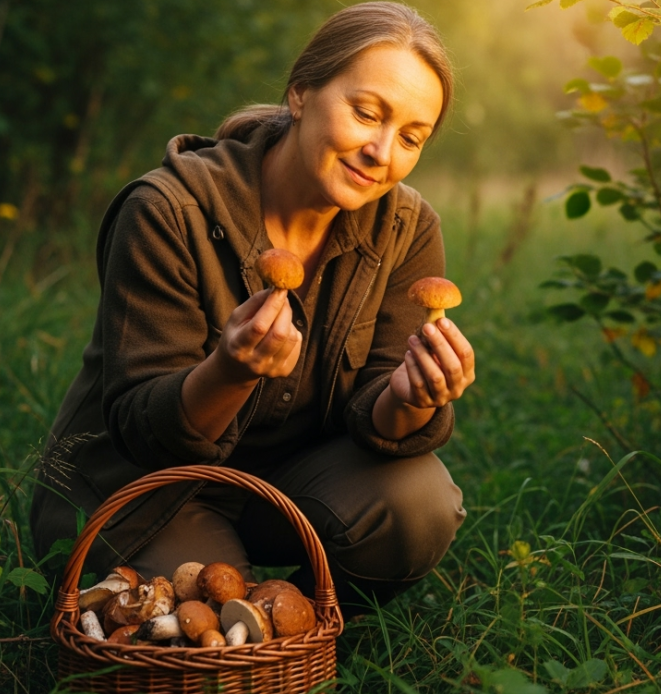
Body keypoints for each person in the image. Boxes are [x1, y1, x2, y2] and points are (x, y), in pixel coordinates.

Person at [30, 1, 473, 614]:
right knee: (197, 606)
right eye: (366, 113)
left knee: (418, 507)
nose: (381, 151)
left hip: (286, 488)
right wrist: (230, 370)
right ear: (300, 93)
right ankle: (247, 629)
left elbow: (375, 404)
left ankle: (306, 632)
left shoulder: (406, 227)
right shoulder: (168, 211)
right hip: (143, 491)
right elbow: (138, 426)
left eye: (410, 137)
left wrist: (410, 398)